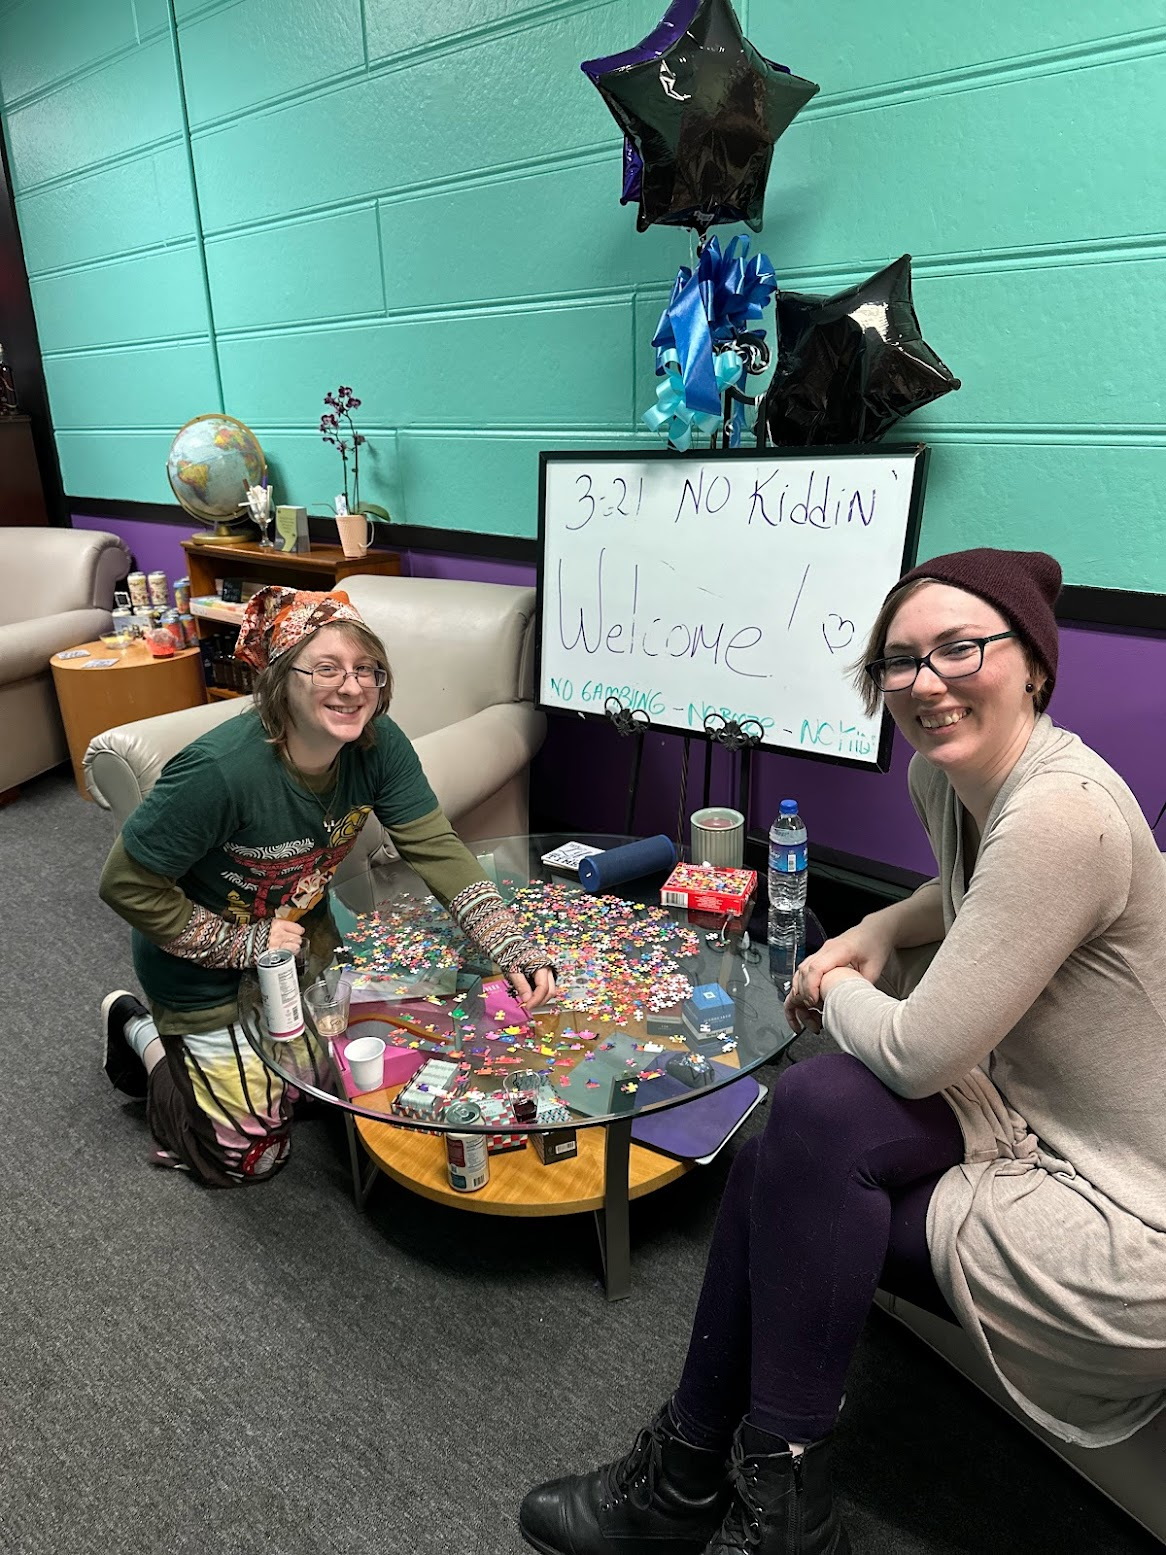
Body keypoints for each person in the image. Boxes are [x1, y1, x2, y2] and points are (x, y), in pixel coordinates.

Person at [518, 548, 1166, 1555]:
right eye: (898, 661)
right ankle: (739, 1496)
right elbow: (968, 897)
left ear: (1032, 663)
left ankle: (691, 1486)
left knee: (803, 1141)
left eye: (959, 649)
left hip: (1120, 1204)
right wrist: (883, 929)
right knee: (812, 1114)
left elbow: (913, 1054)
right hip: (1021, 1108)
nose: (925, 682)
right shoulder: (949, 780)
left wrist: (839, 983)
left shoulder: (1059, 811)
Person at [99, 585, 555, 1187]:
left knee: (330, 1087)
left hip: (299, 957)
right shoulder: (219, 771)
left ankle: (220, 1052)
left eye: (367, 669)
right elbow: (124, 883)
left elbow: (436, 847)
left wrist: (509, 941)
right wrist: (240, 945)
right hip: (198, 963)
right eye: (328, 668)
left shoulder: (380, 744)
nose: (353, 686)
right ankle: (144, 1034)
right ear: (281, 679)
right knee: (248, 1158)